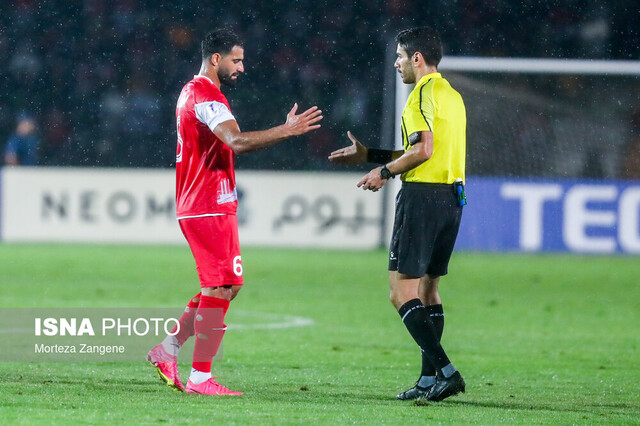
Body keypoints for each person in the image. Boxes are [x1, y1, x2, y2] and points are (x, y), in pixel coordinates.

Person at [147, 29, 322, 396]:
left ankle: (168, 350)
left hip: (210, 204)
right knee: (219, 286)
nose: (242, 67)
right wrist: (286, 131)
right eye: (236, 60)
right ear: (216, 59)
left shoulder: (192, 91)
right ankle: (199, 378)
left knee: (226, 286)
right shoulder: (206, 95)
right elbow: (237, 141)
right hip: (205, 205)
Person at [329, 27, 466, 402]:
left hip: (421, 198)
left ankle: (447, 371)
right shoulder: (451, 95)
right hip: (452, 199)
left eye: (401, 57)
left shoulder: (419, 96)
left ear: (417, 58)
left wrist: (383, 173)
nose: (397, 64)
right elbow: (431, 151)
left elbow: (421, 152)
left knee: (400, 291)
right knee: (428, 289)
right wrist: (371, 155)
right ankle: (428, 381)